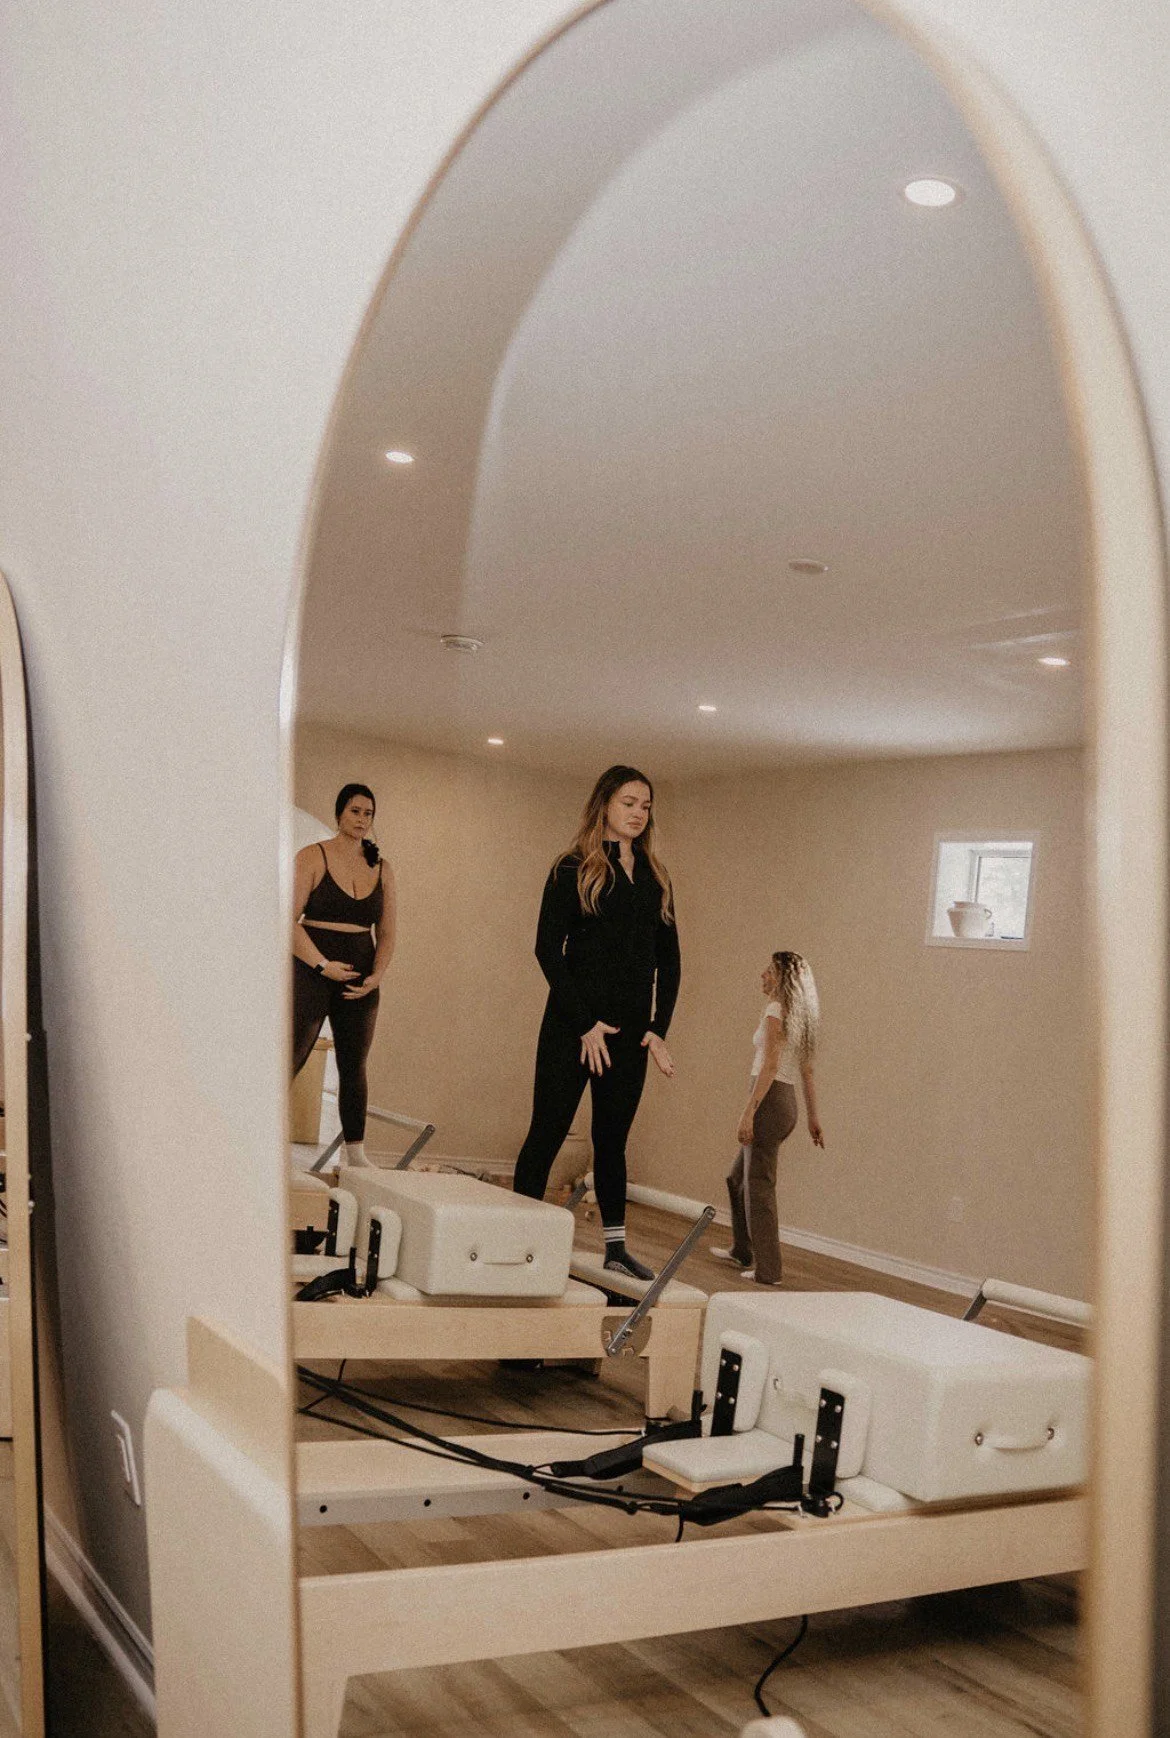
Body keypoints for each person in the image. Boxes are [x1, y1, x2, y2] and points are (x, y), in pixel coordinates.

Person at [513, 764, 680, 1279]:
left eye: (645, 806)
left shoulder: (655, 877)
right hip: (573, 1028)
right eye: (629, 803)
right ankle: (518, 1240)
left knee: (611, 1142)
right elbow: (547, 949)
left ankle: (615, 1249)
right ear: (604, 803)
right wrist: (585, 1023)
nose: (638, 813)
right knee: (547, 1132)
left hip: (628, 1036)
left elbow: (670, 960)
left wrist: (658, 1027)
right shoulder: (571, 868)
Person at [291, 783, 397, 1167]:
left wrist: (376, 976)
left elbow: (388, 933)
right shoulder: (312, 856)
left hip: (359, 978)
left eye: (368, 813)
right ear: (340, 813)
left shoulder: (382, 868)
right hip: (312, 968)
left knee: (354, 1065)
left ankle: (356, 1155)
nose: (361, 819)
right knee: (291, 1055)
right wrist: (322, 965)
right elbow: (286, 921)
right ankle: (260, 1142)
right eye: (355, 811)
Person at [715, 951, 824, 1286]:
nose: (762, 975)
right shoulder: (801, 1016)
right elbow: (806, 1072)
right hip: (785, 1104)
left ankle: (768, 1271)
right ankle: (742, 1249)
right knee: (737, 1179)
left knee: (759, 1187)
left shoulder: (777, 1010)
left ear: (781, 978)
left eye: (769, 970)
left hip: (770, 1102)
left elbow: (771, 1065)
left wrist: (748, 1112)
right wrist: (812, 1118)